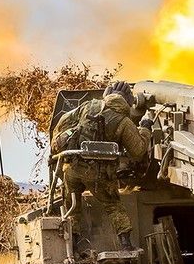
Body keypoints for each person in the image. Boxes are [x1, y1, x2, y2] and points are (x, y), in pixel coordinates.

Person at [52, 80, 152, 251]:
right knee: (113, 205)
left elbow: (62, 123)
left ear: (107, 94)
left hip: (73, 167)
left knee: (72, 204)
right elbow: (137, 151)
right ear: (128, 101)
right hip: (99, 175)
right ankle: (126, 244)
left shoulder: (88, 106)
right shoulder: (123, 121)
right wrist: (145, 129)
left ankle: (73, 244)